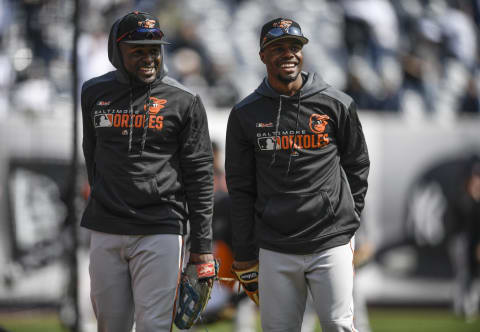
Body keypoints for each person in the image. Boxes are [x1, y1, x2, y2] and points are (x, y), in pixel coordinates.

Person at [225, 18, 370, 332]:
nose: (288, 54)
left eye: (294, 47)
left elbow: (357, 166)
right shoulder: (244, 114)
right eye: (278, 48)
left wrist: (350, 218)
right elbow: (240, 189)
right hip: (275, 246)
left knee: (339, 327)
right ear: (262, 55)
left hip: (330, 241)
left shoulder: (336, 103)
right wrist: (245, 254)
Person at [80, 11, 215, 332]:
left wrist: (203, 248)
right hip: (106, 225)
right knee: (109, 326)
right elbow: (91, 155)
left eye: (154, 48)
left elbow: (200, 176)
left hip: (161, 228)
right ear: (117, 50)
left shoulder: (185, 100)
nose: (148, 57)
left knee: (154, 326)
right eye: (137, 49)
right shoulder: (94, 92)